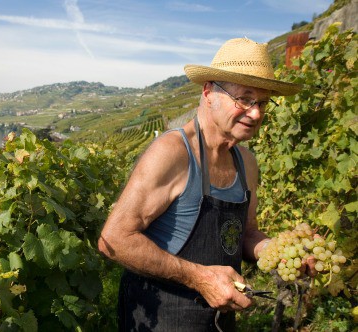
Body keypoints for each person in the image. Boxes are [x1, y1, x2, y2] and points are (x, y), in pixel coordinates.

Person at [97, 37, 317, 331]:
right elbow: (114, 240)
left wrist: (279, 252)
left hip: (218, 321)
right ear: (209, 91)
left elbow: (245, 234)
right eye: (245, 99)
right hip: (159, 320)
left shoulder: (246, 163)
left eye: (263, 103)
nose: (257, 113)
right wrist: (199, 278)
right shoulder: (173, 153)